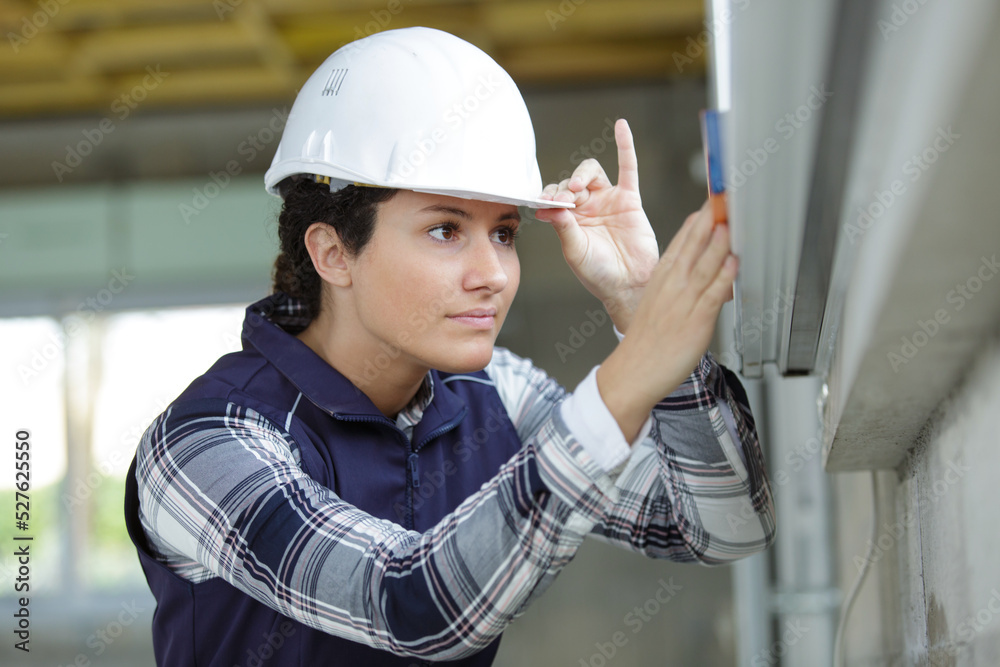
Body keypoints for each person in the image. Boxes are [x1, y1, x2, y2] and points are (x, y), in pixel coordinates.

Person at [123, 26, 775, 666]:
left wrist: (644, 316)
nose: (491, 273)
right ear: (332, 252)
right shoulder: (205, 442)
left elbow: (725, 526)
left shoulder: (498, 395)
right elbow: (412, 605)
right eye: (444, 230)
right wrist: (627, 382)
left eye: (504, 233)